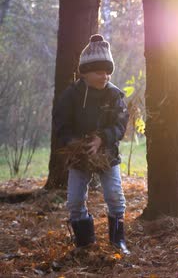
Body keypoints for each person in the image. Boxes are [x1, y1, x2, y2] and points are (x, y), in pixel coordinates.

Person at [53, 34, 130, 254]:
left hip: (107, 153)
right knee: (75, 200)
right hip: (79, 154)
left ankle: (118, 241)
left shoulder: (115, 95)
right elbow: (60, 122)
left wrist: (101, 138)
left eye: (108, 71)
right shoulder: (71, 96)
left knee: (114, 195)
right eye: (99, 71)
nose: (105, 76)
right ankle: (85, 243)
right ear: (85, 73)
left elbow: (120, 125)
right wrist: (73, 142)